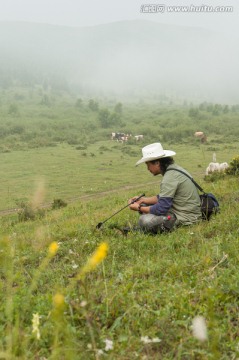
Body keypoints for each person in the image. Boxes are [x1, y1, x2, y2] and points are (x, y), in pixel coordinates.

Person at [128, 142, 202, 234]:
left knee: (144, 220)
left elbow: (161, 208)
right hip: (186, 211)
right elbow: (164, 197)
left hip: (185, 217)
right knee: (146, 207)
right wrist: (143, 200)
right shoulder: (174, 169)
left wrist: (139, 208)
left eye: (148, 165)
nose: (148, 169)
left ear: (157, 163)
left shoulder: (169, 177)